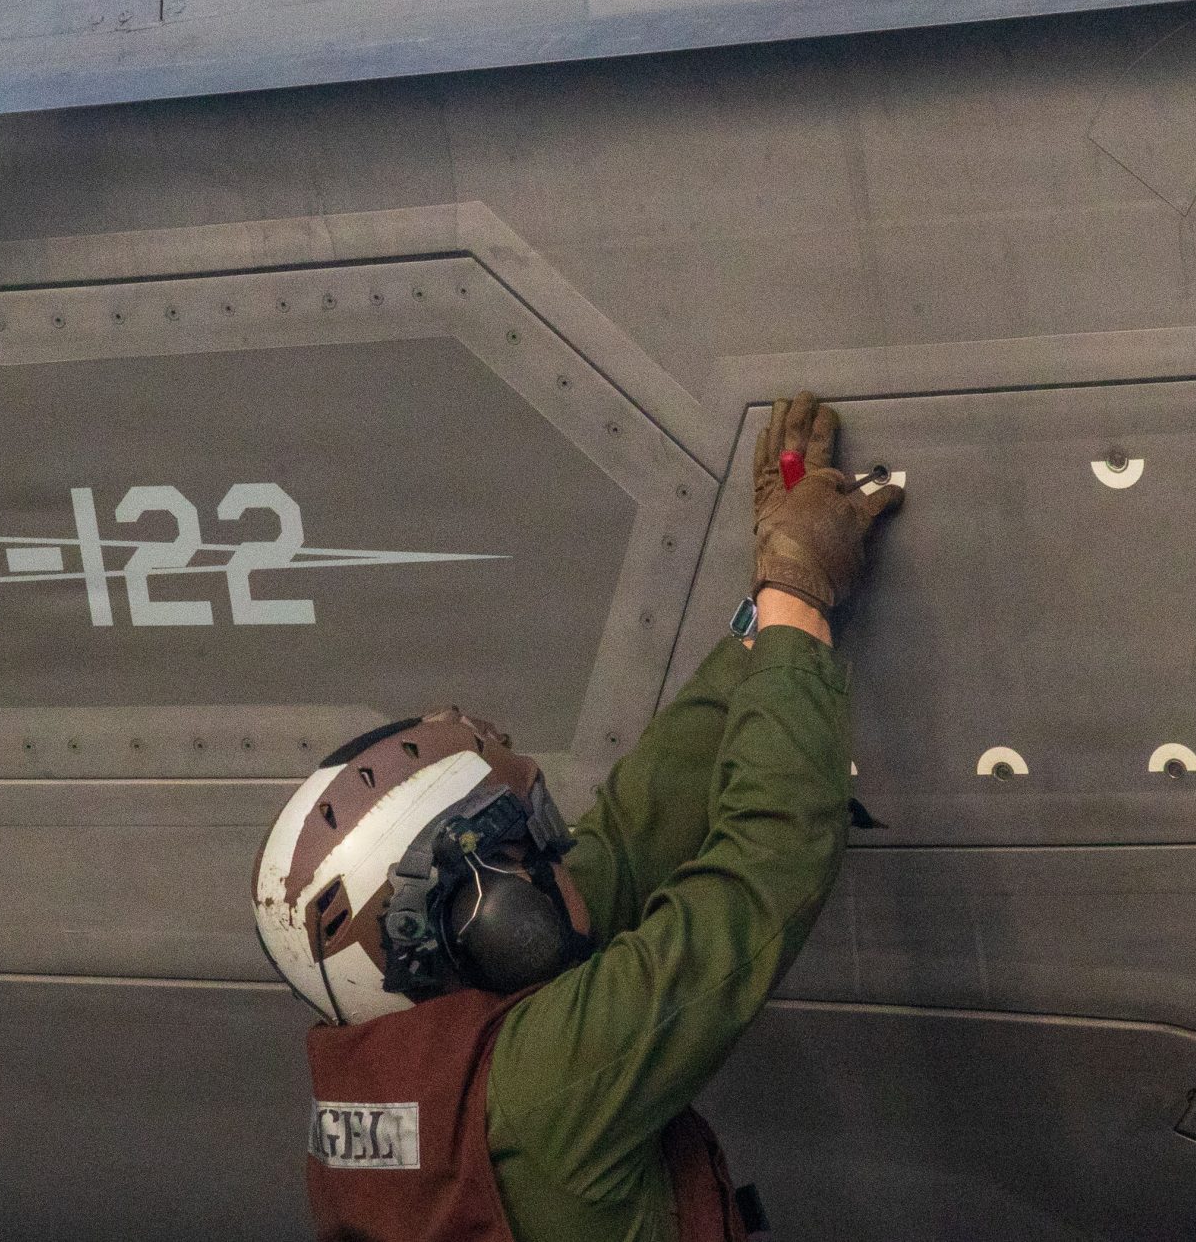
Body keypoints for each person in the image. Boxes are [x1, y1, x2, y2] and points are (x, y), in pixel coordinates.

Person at [252, 391, 899, 1242]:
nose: (557, 853)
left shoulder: (395, 1072)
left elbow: (631, 839)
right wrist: (801, 599)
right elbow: (762, 872)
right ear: (466, 917)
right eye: (523, 846)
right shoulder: (540, 1086)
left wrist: (762, 615)